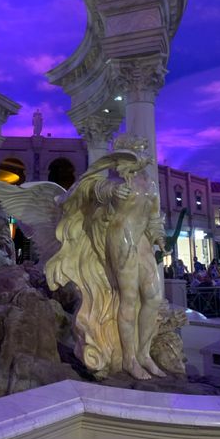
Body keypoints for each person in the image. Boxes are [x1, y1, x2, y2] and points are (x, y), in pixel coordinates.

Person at [46, 134, 166, 381]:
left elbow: (153, 217)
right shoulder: (111, 183)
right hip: (120, 238)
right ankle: (129, 359)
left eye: (143, 152)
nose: (144, 157)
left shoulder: (151, 186)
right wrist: (112, 193)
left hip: (141, 241)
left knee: (154, 297)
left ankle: (144, 353)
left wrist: (159, 236)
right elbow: (95, 192)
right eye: (138, 152)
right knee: (128, 298)